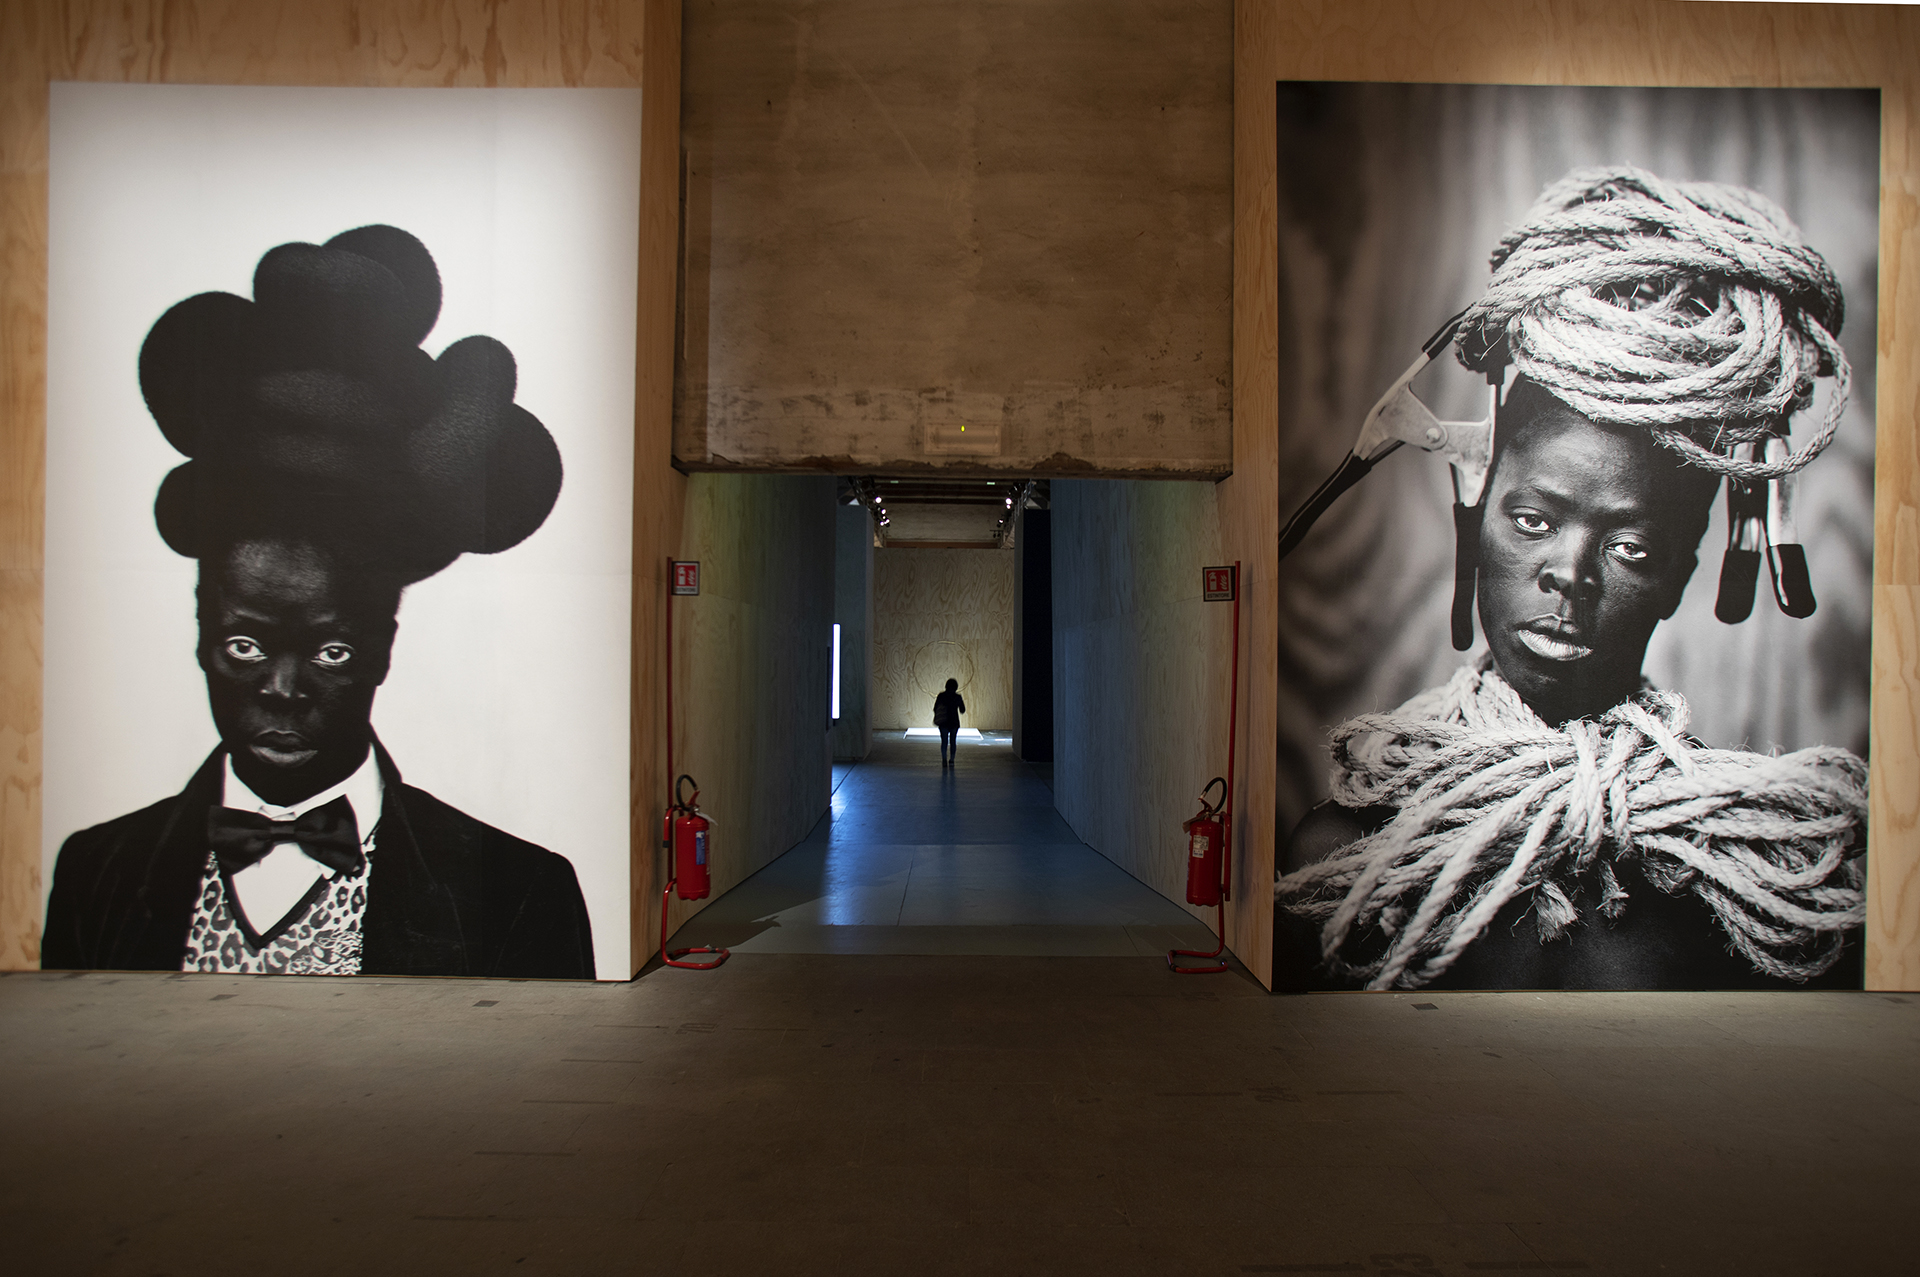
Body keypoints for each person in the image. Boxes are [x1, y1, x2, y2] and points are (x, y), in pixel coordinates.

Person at [1274, 167, 1867, 992]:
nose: (1569, 574)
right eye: (1533, 521)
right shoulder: (1340, 857)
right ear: (1475, 515)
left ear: (1682, 574)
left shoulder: (1758, 880)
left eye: (1631, 548)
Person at [42, 225, 594, 979]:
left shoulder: (518, 893)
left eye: (332, 651)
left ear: (384, 647)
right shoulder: (97, 872)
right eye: (245, 645)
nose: (282, 689)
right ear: (201, 631)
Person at [932, 678, 966, 767]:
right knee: (953, 741)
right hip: (954, 722)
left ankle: (944, 759)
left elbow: (935, 708)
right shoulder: (957, 697)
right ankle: (951, 760)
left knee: (944, 742)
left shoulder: (941, 696)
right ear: (956, 687)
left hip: (943, 722)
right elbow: (962, 710)